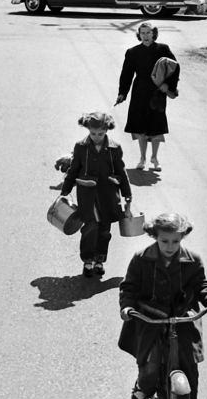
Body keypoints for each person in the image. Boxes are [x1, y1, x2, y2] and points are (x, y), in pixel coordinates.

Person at [118, 211, 207, 399]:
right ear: (154, 236)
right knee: (151, 362)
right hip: (150, 316)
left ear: (182, 238)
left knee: (188, 360)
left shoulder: (192, 260)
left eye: (175, 241)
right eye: (164, 241)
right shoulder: (141, 259)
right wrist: (127, 307)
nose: (169, 246)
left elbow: (201, 284)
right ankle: (143, 388)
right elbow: (129, 288)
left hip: (182, 317)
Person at [60, 111, 132, 277]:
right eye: (93, 133)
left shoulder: (114, 148)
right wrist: (66, 189)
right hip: (87, 194)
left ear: (107, 130)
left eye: (101, 133)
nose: (97, 137)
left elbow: (121, 172)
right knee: (90, 227)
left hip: (108, 195)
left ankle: (99, 260)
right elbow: (74, 170)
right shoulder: (80, 147)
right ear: (87, 130)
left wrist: (127, 195)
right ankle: (87, 261)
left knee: (104, 230)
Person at [115, 21, 179, 172]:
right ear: (139, 35)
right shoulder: (132, 52)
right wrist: (122, 93)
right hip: (139, 93)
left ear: (153, 33)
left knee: (156, 126)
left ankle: (155, 158)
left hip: (157, 92)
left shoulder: (163, 49)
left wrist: (168, 86)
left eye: (148, 32)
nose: (145, 36)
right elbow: (126, 74)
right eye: (142, 33)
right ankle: (142, 158)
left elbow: (175, 67)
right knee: (140, 127)